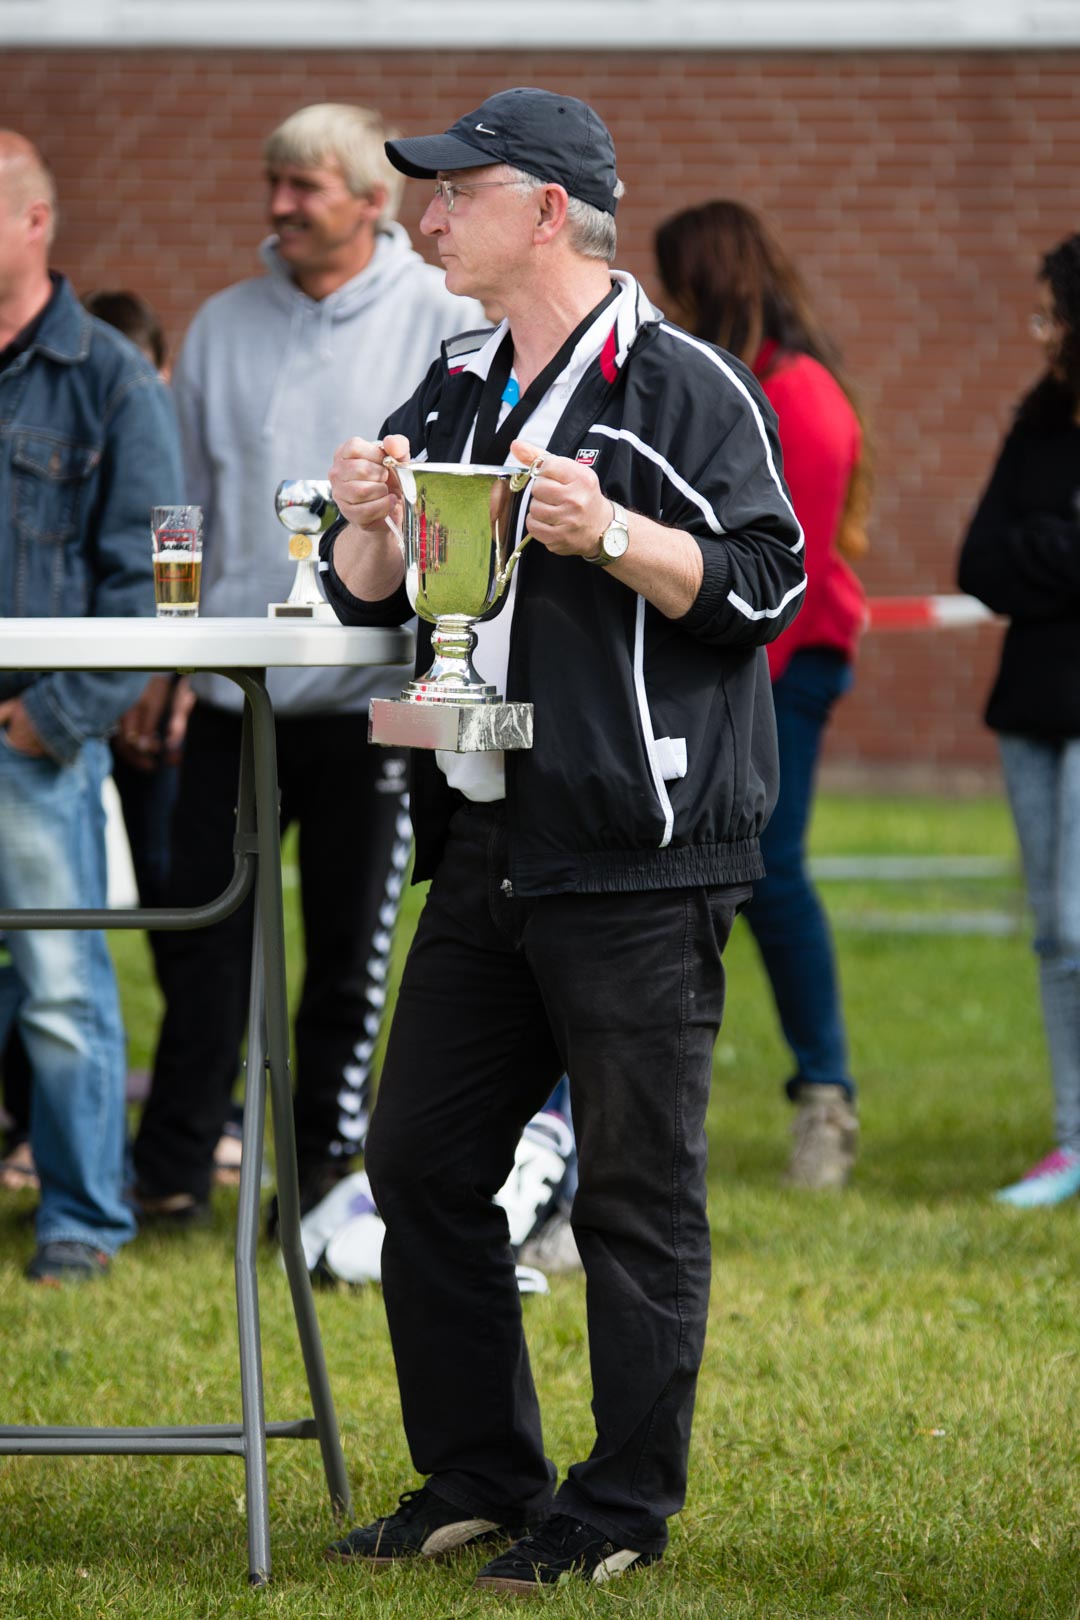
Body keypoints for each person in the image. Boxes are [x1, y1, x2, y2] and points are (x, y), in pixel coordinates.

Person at [319, 87, 805, 1591]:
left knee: (634, 1196)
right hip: (487, 838)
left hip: (638, 850)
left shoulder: (684, 384)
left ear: (544, 210)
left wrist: (615, 536)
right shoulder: (456, 378)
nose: (426, 218)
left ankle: (620, 1510)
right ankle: (480, 1474)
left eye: (452, 193)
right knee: (419, 1163)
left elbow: (769, 582)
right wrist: (367, 521)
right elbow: (371, 593)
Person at [131, 104, 484, 1227]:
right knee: (201, 936)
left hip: (369, 697)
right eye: (272, 182)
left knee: (346, 952)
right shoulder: (222, 325)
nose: (279, 205)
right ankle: (174, 1166)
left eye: (305, 187)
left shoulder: (443, 320)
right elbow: (180, 507)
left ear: (373, 203)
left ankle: (324, 1175)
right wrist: (166, 663)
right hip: (231, 692)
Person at [655, 199, 867, 1190]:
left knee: (772, 872)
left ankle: (827, 1099)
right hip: (734, 664)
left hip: (787, 664)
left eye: (676, 286)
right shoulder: (728, 384)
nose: (667, 306)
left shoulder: (802, 396)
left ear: (708, 283)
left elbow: (785, 580)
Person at [0, 131, 182, 1282]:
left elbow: (149, 583)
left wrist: (49, 719)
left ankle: (81, 1220)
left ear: (36, 222)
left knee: (62, 985)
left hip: (32, 739)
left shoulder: (109, 376)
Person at [958, 232, 1080, 1208]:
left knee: (1078, 923)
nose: (1039, 332)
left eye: (1051, 314)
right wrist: (1059, 546)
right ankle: (1072, 1140)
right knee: (1051, 932)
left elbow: (1019, 555)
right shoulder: (1040, 420)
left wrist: (1040, 550)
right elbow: (979, 561)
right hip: (1033, 705)